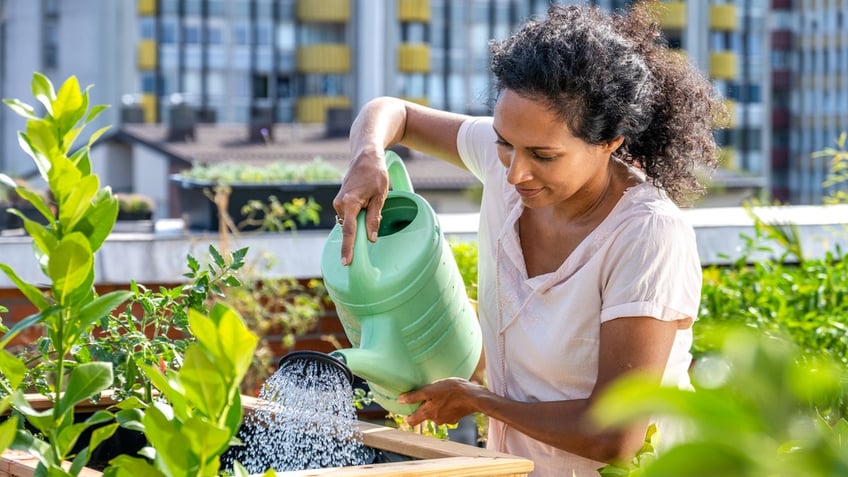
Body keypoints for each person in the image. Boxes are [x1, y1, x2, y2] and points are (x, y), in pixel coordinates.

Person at [332, 3, 724, 476]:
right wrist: (367, 154)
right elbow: (391, 112)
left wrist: (480, 400)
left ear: (610, 142)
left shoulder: (647, 235)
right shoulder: (514, 163)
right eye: (504, 142)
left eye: (544, 155)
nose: (516, 172)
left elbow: (616, 434)